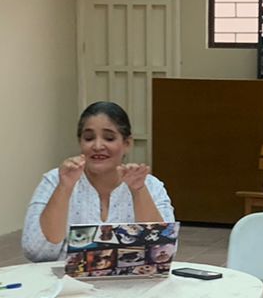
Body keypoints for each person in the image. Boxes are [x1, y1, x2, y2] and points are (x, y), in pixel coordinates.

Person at [22, 102, 175, 262]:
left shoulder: (150, 185)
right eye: (89, 138)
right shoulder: (56, 179)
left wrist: (139, 191)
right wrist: (64, 188)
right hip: (62, 276)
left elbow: (163, 251)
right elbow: (36, 251)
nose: (97, 146)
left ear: (127, 144)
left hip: (132, 277)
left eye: (109, 138)